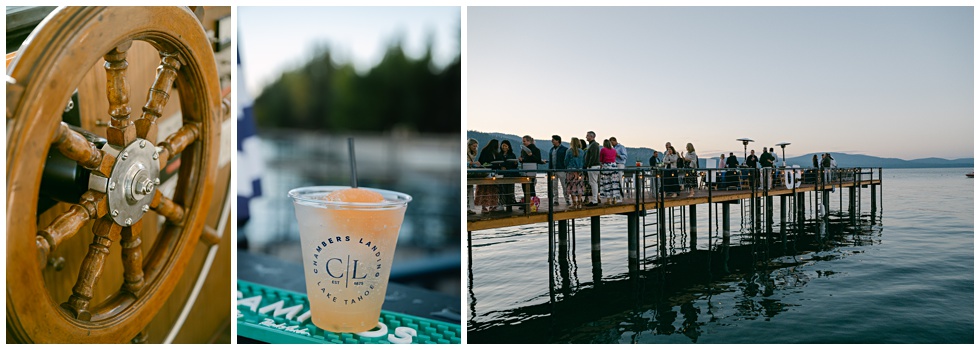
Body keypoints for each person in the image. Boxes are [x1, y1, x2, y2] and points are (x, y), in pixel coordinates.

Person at [474, 139, 500, 213]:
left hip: (493, 172)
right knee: (485, 190)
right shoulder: (486, 151)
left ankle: (492, 206)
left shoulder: (494, 152)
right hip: (486, 172)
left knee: (493, 190)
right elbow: (481, 161)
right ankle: (485, 207)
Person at [564, 137, 586, 208]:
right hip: (580, 171)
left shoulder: (569, 151)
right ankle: (579, 201)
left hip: (571, 171)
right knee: (579, 185)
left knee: (571, 186)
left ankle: (574, 203)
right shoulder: (582, 151)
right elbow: (583, 161)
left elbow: (566, 161)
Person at [599, 139, 623, 204]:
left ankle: (608, 200)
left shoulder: (603, 150)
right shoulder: (614, 150)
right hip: (614, 166)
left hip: (606, 166)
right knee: (614, 183)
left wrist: (601, 165)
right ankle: (614, 199)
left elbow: (601, 159)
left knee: (607, 183)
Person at [548, 135, 569, 206]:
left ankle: (567, 199)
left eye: (553, 140)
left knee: (564, 185)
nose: (552, 141)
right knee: (554, 186)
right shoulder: (551, 149)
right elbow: (551, 160)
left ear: (557, 140)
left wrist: (565, 168)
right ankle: (555, 200)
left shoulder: (564, 149)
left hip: (562, 170)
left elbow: (566, 160)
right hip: (553, 170)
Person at [583, 131, 602, 206]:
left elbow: (593, 156)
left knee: (593, 183)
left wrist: (589, 165)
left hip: (593, 166)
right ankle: (595, 199)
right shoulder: (592, 145)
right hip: (593, 166)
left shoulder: (593, 145)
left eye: (587, 136)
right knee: (593, 183)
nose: (586, 137)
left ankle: (594, 200)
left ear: (592, 137)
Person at [498, 140, 519, 207]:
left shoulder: (512, 155)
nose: (504, 147)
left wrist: (515, 163)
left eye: (505, 146)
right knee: (502, 189)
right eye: (503, 145)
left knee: (510, 188)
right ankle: (502, 202)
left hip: (510, 174)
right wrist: (501, 166)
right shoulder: (499, 155)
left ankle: (511, 202)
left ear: (508, 147)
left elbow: (515, 165)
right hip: (502, 174)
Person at [466, 138, 480, 214]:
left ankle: (468, 208)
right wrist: (473, 164)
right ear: (469, 145)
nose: (475, 148)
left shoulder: (473, 153)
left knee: (469, 190)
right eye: (474, 146)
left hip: (469, 173)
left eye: (476, 146)